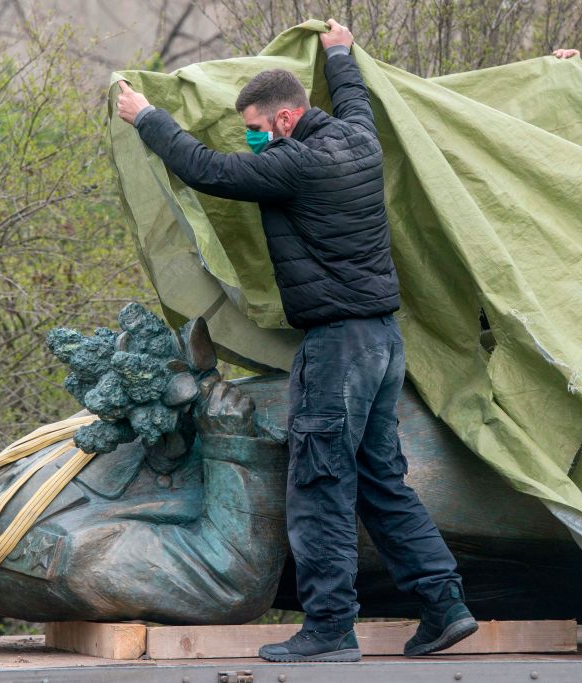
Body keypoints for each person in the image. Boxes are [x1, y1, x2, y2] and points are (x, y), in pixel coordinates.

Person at [115, 19, 512, 662]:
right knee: (382, 481)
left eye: (256, 125)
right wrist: (339, 53)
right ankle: (444, 607)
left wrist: (147, 116)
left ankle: (329, 629)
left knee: (320, 483)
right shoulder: (358, 137)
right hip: (382, 342)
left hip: (340, 348)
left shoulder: (296, 164)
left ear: (287, 118)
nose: (251, 138)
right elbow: (354, 97)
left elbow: (204, 169)